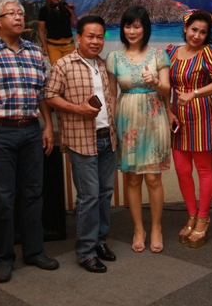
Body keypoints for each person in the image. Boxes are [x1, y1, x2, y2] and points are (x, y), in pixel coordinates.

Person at [0, 0, 58, 284]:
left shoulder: (34, 52)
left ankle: (34, 251)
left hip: (31, 131)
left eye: (21, 13)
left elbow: (42, 94)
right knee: (3, 199)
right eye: (12, 14)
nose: (19, 17)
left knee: (33, 194)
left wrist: (48, 126)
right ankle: (4, 258)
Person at [45, 15, 118, 273]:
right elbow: (50, 96)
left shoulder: (103, 64)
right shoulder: (63, 65)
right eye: (90, 36)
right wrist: (77, 108)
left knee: (105, 193)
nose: (96, 41)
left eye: (100, 37)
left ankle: (100, 241)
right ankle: (86, 251)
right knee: (89, 197)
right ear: (78, 38)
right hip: (81, 139)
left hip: (107, 138)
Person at [106, 6, 172, 253]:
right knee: (132, 178)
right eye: (128, 26)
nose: (132, 31)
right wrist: (111, 123)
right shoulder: (113, 57)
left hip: (154, 118)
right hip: (126, 120)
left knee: (153, 177)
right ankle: (138, 228)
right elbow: (111, 94)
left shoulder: (158, 55)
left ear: (145, 28)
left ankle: (156, 228)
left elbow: (167, 90)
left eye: (137, 26)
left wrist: (155, 82)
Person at [166, 10, 212, 248]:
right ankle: (191, 215)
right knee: (182, 170)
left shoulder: (208, 52)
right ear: (185, 29)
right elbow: (165, 86)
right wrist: (168, 111)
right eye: (193, 30)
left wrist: (195, 93)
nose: (197, 35)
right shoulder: (171, 52)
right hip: (176, 117)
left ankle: (203, 218)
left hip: (200, 113)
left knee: (203, 170)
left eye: (203, 32)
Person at [38, 0, 78, 65]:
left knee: (70, 69)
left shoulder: (66, 8)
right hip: (53, 47)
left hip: (69, 45)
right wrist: (44, 45)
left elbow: (75, 25)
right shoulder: (44, 10)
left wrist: (72, 12)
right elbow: (41, 30)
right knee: (57, 69)